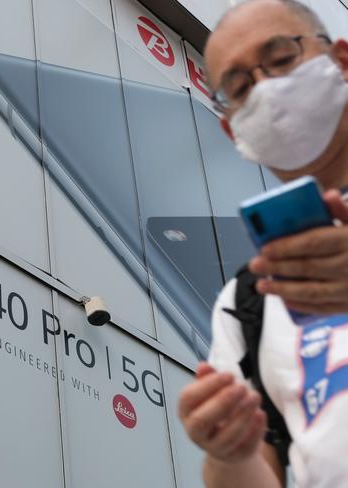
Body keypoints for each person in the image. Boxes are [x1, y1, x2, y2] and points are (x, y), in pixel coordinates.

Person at [177, 0, 348, 487]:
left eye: (281, 60)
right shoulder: (248, 299)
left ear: (342, 63)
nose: (268, 92)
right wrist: (228, 449)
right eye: (241, 88)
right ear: (233, 129)